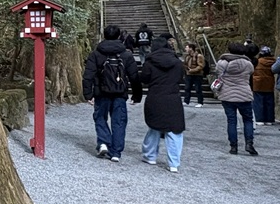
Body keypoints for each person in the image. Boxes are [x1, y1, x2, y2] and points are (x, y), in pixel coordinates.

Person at [82, 25, 143, 162]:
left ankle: (103, 143)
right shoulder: (126, 55)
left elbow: (88, 75)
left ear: (104, 35)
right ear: (119, 36)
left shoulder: (96, 54)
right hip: (119, 93)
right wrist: (137, 95)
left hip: (101, 92)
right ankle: (116, 152)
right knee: (119, 122)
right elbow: (134, 76)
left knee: (100, 117)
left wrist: (88, 94)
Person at [139, 37, 186, 173]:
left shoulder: (149, 62)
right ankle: (174, 163)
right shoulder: (177, 62)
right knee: (174, 130)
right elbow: (180, 78)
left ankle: (150, 156)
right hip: (172, 97)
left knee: (154, 126)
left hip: (155, 96)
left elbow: (145, 79)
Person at [216, 42, 257, 155]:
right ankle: (249, 143)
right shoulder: (248, 63)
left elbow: (218, 74)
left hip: (227, 94)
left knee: (231, 120)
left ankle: (233, 146)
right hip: (244, 94)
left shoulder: (222, 63)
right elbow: (251, 72)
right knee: (248, 120)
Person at [252, 46, 276, 125]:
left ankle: (259, 119)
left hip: (258, 83)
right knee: (269, 102)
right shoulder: (274, 61)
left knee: (259, 101)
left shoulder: (257, 61)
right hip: (269, 83)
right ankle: (269, 119)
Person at [182, 43, 206, 107]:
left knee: (198, 88)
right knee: (187, 88)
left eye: (187, 47)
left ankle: (200, 102)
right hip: (188, 74)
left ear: (190, 48)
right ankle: (186, 101)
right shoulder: (187, 56)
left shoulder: (199, 56)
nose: (185, 49)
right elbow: (185, 64)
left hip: (197, 75)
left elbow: (201, 66)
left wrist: (192, 70)